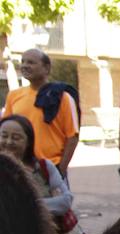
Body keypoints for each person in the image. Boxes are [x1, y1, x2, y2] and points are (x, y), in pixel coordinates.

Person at [2, 48, 79, 179]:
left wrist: (60, 170)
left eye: (31, 62)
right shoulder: (13, 96)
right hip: (18, 168)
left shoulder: (62, 97)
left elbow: (72, 137)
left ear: (46, 68)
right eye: (23, 62)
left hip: (50, 168)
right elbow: (5, 131)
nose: (25, 66)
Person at [0, 114, 73, 219]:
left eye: (16, 138)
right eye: (4, 136)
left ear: (28, 142)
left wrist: (23, 206)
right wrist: (47, 203)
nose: (9, 142)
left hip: (43, 229)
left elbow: (65, 201)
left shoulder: (44, 167)